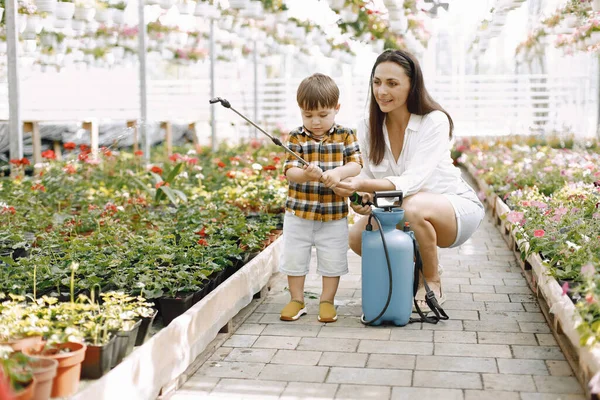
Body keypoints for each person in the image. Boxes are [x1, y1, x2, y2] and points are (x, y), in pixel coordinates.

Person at [333, 49, 485, 311]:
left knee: (412, 206)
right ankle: (414, 268)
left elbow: (412, 181)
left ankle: (432, 279)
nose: (382, 91)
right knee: (359, 237)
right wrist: (359, 197)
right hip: (402, 208)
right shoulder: (368, 124)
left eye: (392, 84)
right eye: (377, 82)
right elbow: (367, 174)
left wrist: (364, 185)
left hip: (454, 210)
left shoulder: (434, 121)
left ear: (412, 86)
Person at [279, 73, 363, 323]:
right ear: (300, 111)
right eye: (308, 115)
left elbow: (356, 164)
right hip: (299, 213)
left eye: (323, 115)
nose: (315, 121)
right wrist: (306, 174)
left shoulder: (346, 135)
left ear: (336, 109)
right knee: (295, 256)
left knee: (332, 257)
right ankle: (296, 299)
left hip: (333, 213)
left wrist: (337, 173)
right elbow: (289, 172)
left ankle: (327, 301)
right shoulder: (296, 137)